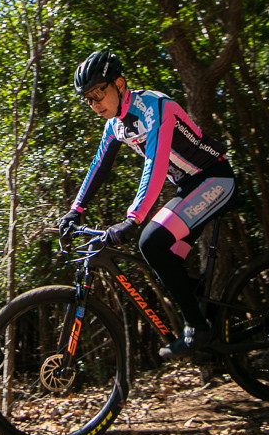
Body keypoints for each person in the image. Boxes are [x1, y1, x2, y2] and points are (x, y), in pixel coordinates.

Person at [59, 50, 236, 359]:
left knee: (151, 242)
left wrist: (133, 218)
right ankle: (215, 324)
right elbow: (98, 166)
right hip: (188, 187)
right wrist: (76, 210)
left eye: (98, 92)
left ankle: (199, 329)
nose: (94, 103)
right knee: (162, 264)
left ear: (119, 83)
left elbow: (154, 164)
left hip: (214, 179)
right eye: (88, 98)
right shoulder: (115, 124)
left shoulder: (155, 106)